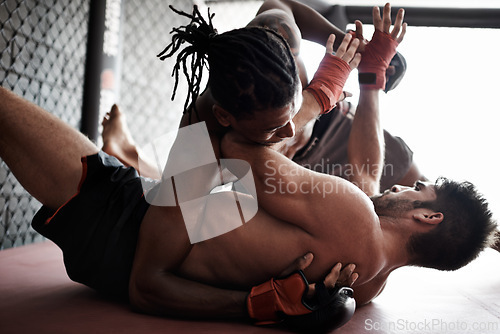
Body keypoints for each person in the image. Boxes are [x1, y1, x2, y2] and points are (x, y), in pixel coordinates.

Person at [0, 3, 496, 332]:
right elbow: (364, 182)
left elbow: (242, 152)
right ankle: (136, 149)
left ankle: (139, 147)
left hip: (118, 219)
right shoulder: (367, 282)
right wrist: (364, 81)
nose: (415, 185)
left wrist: (324, 91)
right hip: (149, 228)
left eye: (425, 191)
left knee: (275, 26)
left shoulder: (353, 220)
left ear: (429, 218)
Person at [102, 0, 425, 191]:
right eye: (273, 126)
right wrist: (329, 92)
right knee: (215, 175)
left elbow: (281, 3)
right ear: (225, 116)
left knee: (412, 178)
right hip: (283, 162)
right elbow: (179, 203)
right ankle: (130, 157)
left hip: (333, 122)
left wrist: (352, 47)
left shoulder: (278, 34)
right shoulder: (202, 124)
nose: (287, 128)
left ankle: (131, 156)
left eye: (293, 106)